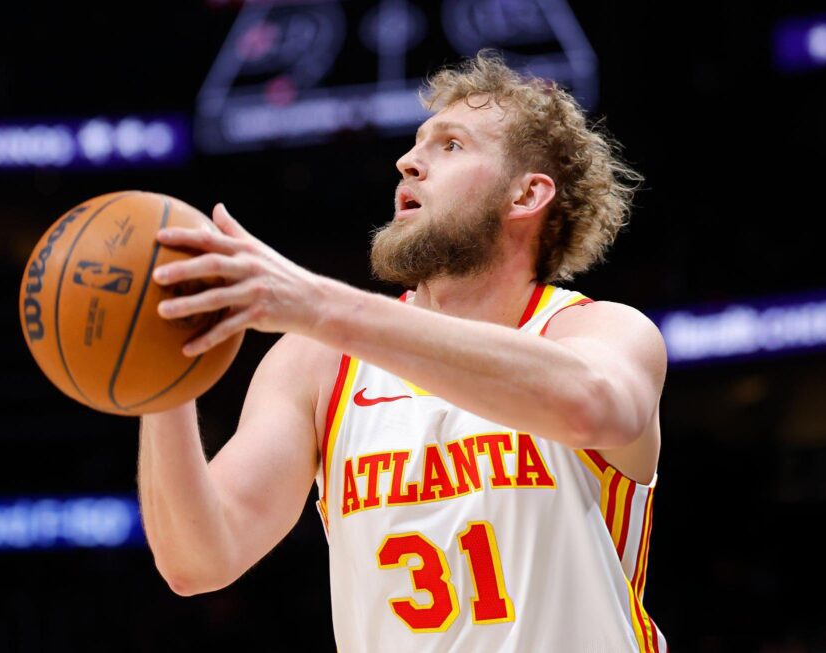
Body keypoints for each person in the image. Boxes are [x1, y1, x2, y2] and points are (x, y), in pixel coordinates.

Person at [139, 52, 668, 652]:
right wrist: (159, 380)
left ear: (527, 194)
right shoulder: (315, 363)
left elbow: (594, 407)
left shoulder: (599, 332)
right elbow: (196, 559)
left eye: (450, 145)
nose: (407, 162)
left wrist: (319, 306)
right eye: (417, 144)